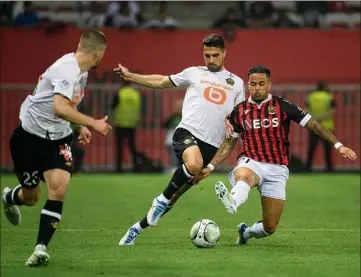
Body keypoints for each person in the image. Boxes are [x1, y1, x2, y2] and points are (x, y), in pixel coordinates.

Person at [194, 65, 357, 245]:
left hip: (277, 168)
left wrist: (339, 145)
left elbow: (314, 125)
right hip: (251, 160)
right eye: (253, 84)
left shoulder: (283, 106)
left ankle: (245, 233)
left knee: (269, 227)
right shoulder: (238, 111)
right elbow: (229, 142)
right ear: (248, 85)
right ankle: (233, 200)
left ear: (269, 85)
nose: (257, 88)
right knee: (245, 176)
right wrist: (210, 166)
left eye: (261, 84)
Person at [114, 34, 245, 245]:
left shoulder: (237, 84)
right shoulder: (194, 73)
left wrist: (211, 167)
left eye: (215, 55)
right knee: (192, 165)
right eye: (206, 55)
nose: (210, 60)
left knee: (176, 195)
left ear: (224, 53)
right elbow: (161, 81)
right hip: (187, 133)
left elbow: (233, 136)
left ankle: (135, 230)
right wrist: (131, 77)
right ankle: (160, 200)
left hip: (211, 147)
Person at [2, 29, 111, 267]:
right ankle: (10, 197)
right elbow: (59, 107)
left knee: (58, 189)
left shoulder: (80, 73)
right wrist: (91, 122)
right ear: (99, 53)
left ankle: (40, 249)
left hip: (59, 139)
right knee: (30, 197)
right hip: (29, 139)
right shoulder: (67, 70)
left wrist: (77, 126)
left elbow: (65, 109)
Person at [305, 80, 336, 172]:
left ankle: (308, 167)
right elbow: (333, 111)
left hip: (314, 125)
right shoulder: (329, 97)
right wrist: (322, 117)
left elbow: (306, 110)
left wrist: (316, 117)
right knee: (327, 148)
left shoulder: (310, 97)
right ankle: (329, 167)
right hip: (326, 126)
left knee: (312, 147)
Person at [111, 79, 141, 172]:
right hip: (132, 123)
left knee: (119, 147)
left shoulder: (120, 93)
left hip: (120, 123)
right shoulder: (136, 94)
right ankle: (136, 167)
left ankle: (119, 168)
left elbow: (113, 105)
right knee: (132, 147)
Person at [163, 99, 183, 173]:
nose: (179, 108)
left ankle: (178, 170)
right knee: (175, 155)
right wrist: (172, 116)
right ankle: (174, 169)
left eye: (181, 107)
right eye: (178, 107)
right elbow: (165, 125)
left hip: (182, 141)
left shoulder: (186, 117)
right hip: (171, 141)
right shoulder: (172, 117)